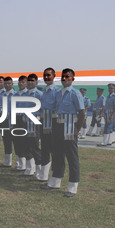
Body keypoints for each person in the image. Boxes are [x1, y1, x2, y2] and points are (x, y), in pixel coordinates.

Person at [41, 68, 85, 197]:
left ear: (72, 79)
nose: (65, 79)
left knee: (72, 158)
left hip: (70, 127)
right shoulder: (58, 93)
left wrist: (77, 130)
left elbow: (82, 113)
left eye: (68, 76)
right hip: (58, 126)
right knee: (57, 155)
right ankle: (55, 181)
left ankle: (72, 187)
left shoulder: (75, 94)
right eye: (63, 76)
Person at [37, 67, 59, 181]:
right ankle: (43, 176)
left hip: (53, 122)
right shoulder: (45, 91)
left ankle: (54, 178)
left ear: (54, 76)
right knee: (44, 148)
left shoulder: (56, 91)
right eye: (45, 75)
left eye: (49, 75)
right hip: (44, 121)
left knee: (54, 150)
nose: (47, 77)